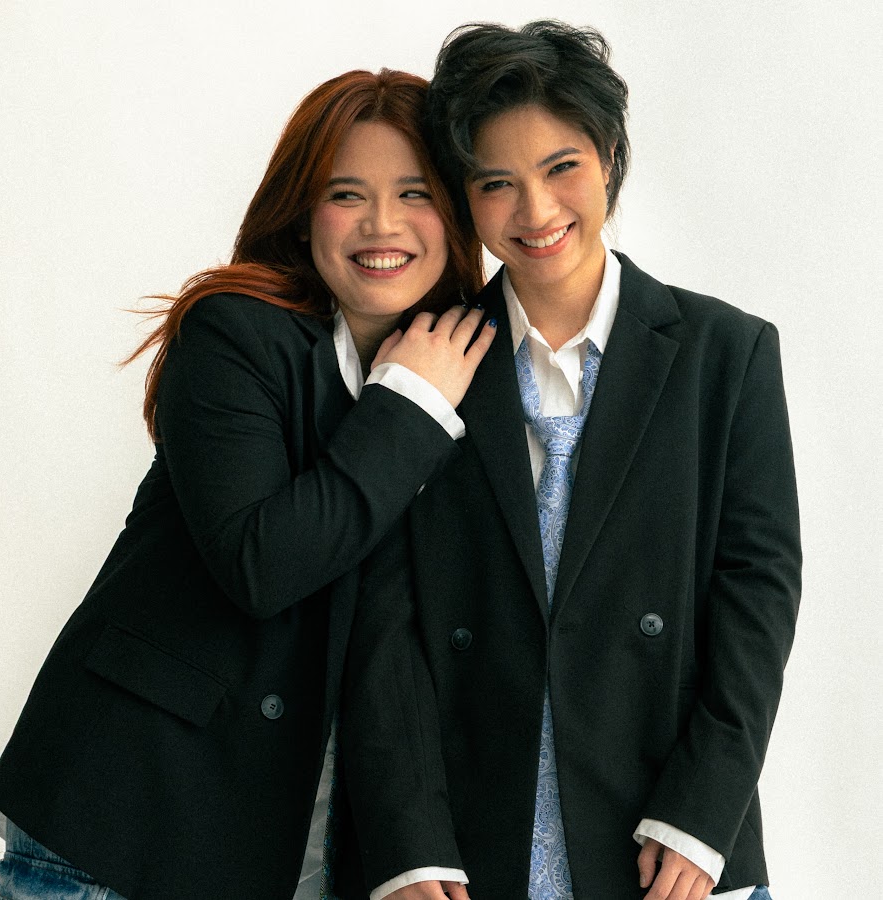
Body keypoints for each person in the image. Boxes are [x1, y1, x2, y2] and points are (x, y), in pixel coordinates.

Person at [0, 69, 495, 900]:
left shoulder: (476, 369)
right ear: (302, 210)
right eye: (346, 194)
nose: (383, 224)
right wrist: (409, 405)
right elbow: (263, 564)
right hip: (127, 819)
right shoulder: (232, 334)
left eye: (416, 193)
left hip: (297, 848)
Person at [342, 21, 800, 900]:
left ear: (610, 157)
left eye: (562, 168)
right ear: (465, 197)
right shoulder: (422, 361)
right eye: (496, 184)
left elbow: (759, 595)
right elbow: (382, 625)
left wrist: (704, 813)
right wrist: (407, 844)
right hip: (466, 850)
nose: (537, 212)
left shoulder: (725, 353)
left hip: (670, 841)